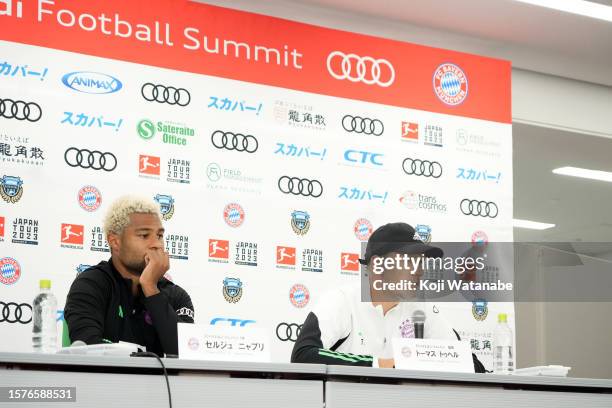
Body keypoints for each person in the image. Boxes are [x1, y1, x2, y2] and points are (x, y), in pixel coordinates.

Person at [291, 222, 485, 372]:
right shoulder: (343, 300)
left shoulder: (422, 310)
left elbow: (474, 366)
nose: (419, 271)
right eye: (410, 261)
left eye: (421, 262)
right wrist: (385, 365)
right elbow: (303, 355)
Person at [64, 196, 194, 356]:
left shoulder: (176, 296)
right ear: (115, 241)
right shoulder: (91, 284)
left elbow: (186, 354)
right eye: (144, 235)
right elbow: (87, 350)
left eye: (159, 235)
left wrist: (150, 288)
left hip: (158, 382)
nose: (157, 244)